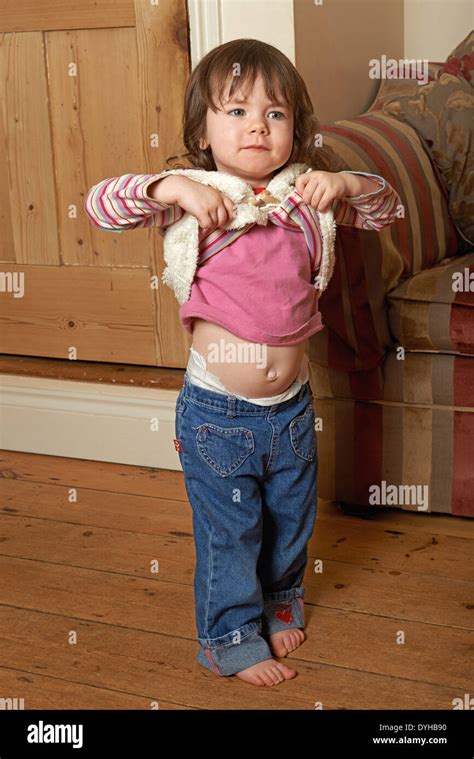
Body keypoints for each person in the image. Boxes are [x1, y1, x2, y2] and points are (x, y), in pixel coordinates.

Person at [85, 38, 401, 687]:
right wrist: (165, 184)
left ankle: (277, 599)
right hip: (217, 417)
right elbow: (101, 205)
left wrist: (344, 182)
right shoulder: (194, 195)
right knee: (231, 528)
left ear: (296, 130)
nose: (257, 123)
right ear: (202, 130)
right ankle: (227, 634)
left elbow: (385, 206)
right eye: (236, 110)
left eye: (275, 112)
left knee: (291, 517)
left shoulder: (305, 195)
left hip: (291, 409)